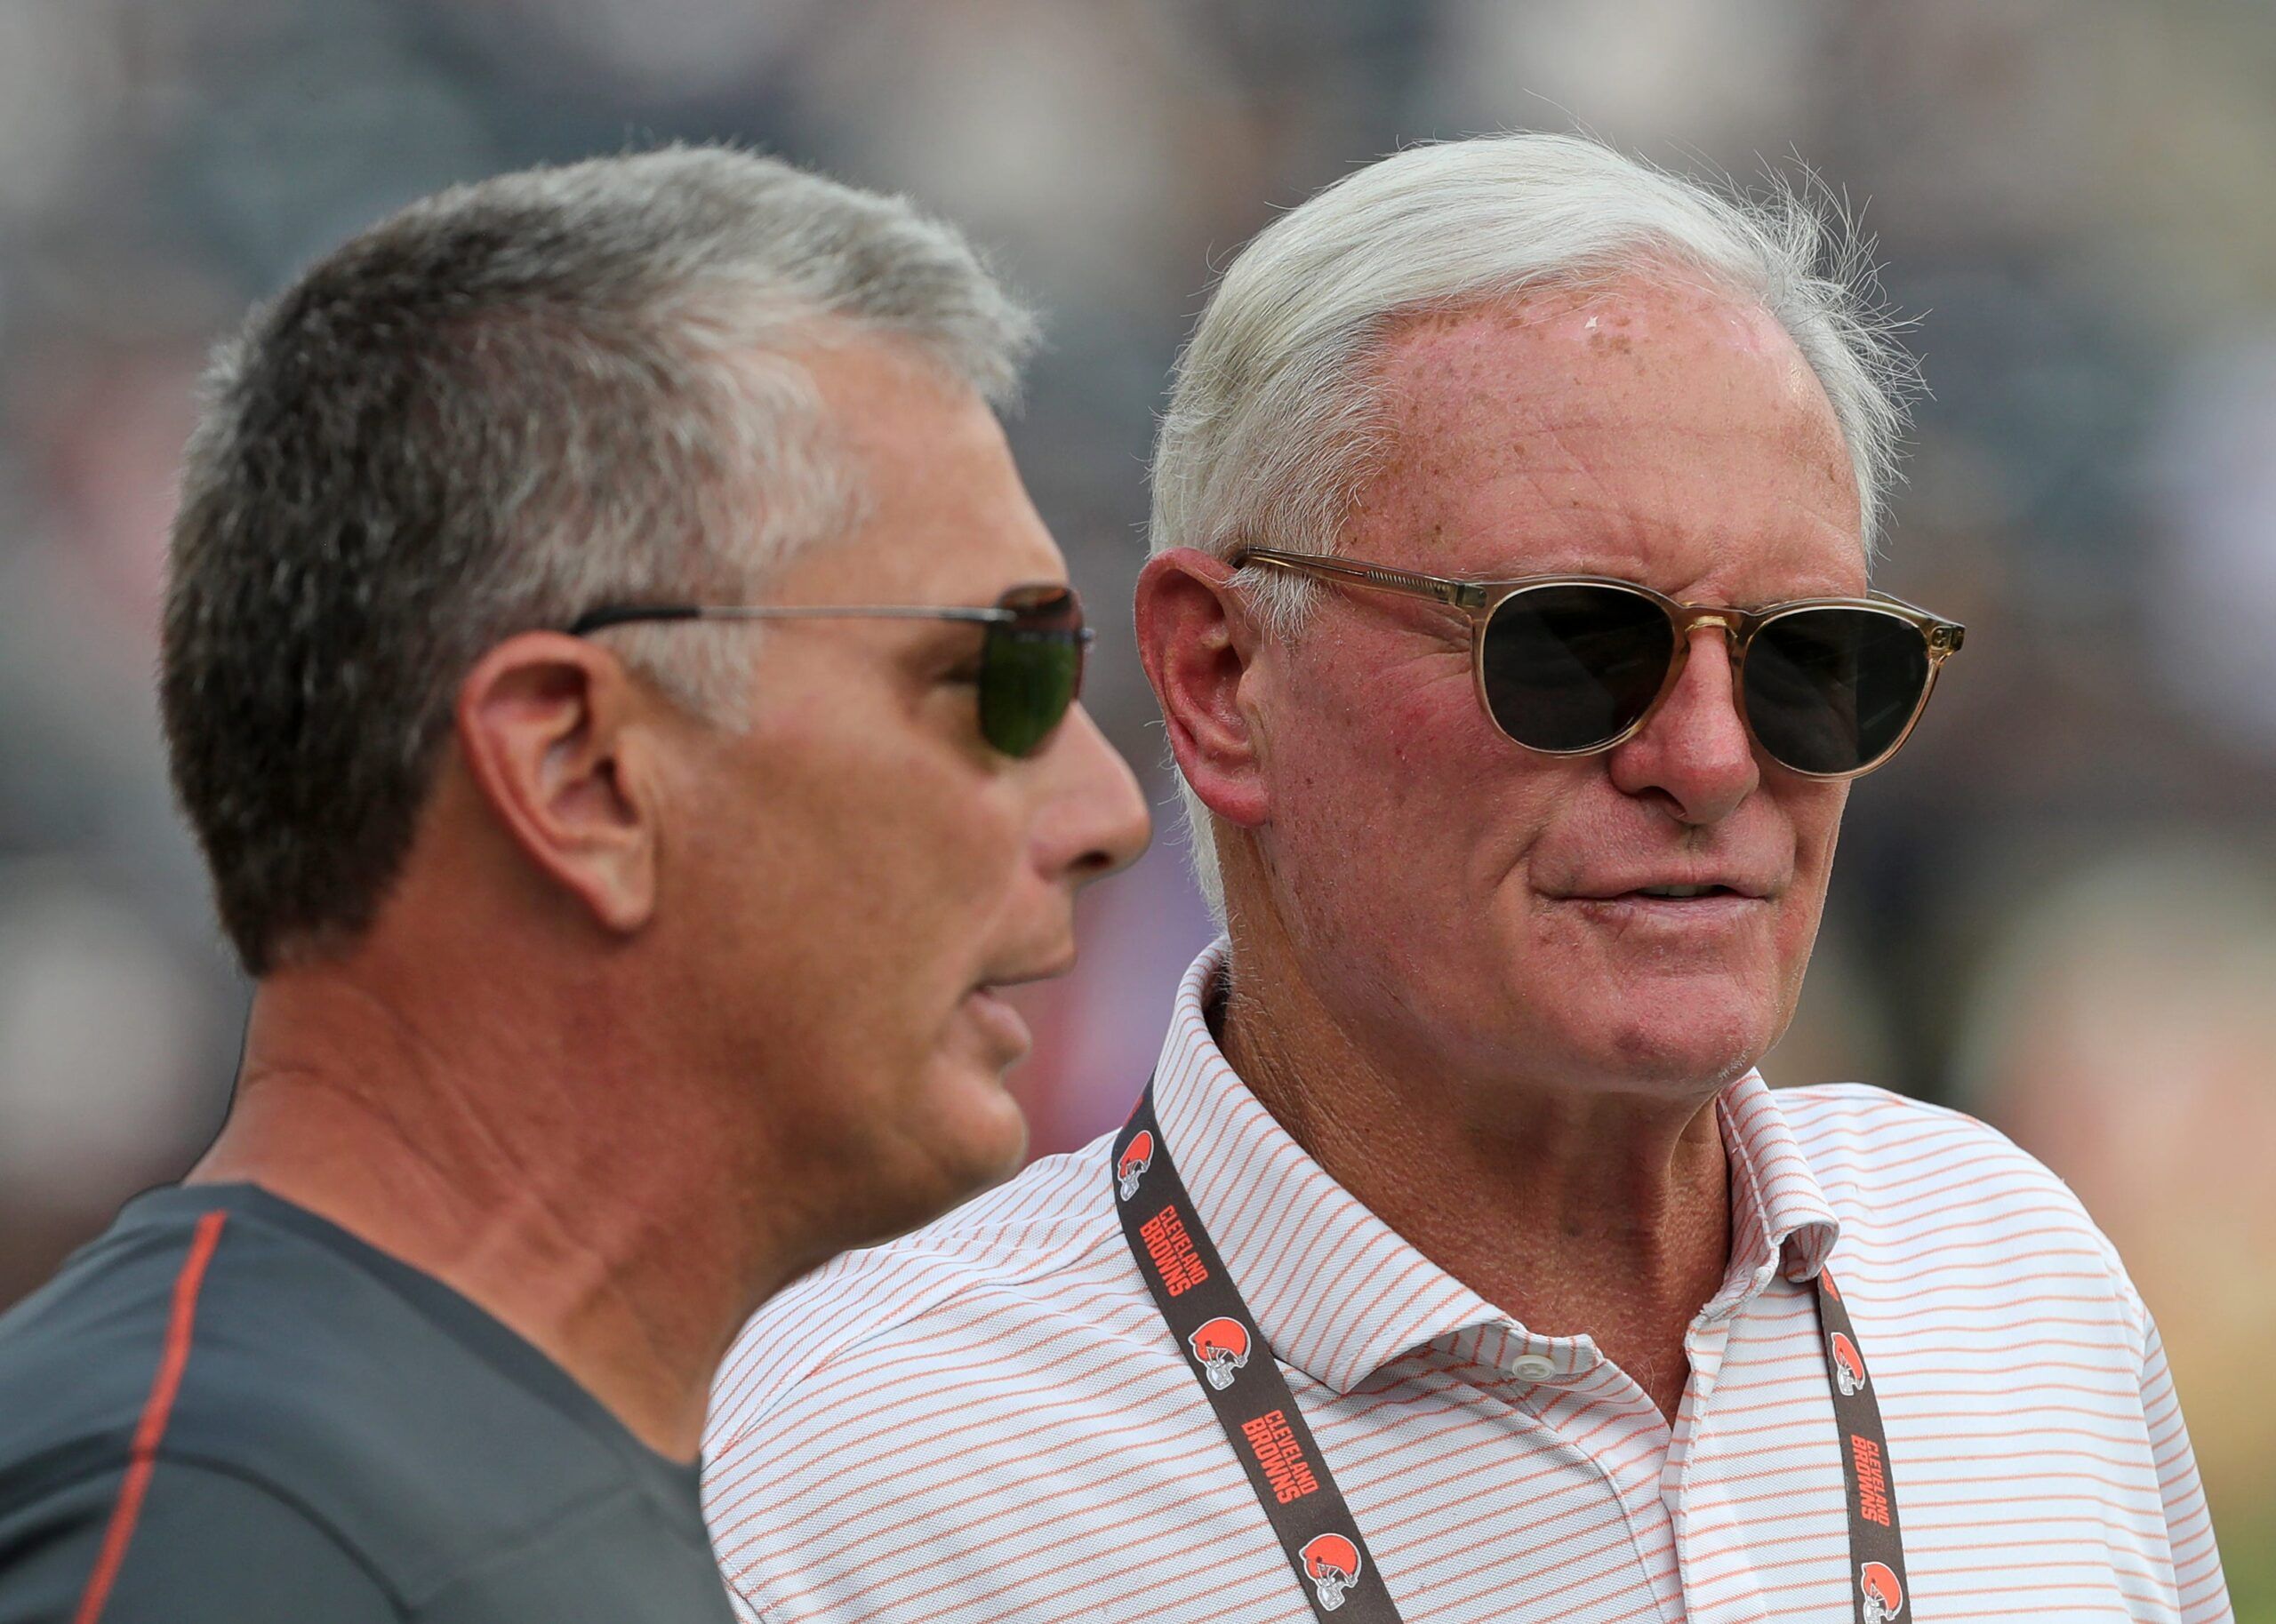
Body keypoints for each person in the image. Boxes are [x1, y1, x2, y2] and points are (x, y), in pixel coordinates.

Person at [703, 135, 2232, 1624]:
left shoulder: (2017, 1273)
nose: (1708, 761)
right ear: (1221, 676)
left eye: (1814, 660)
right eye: (1574, 646)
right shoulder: (865, 1473)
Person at [0, 147, 1149, 1623]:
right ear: (582, 773)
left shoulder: (498, 1482)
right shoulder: (221, 1523)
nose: (1106, 810)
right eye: (994, 676)